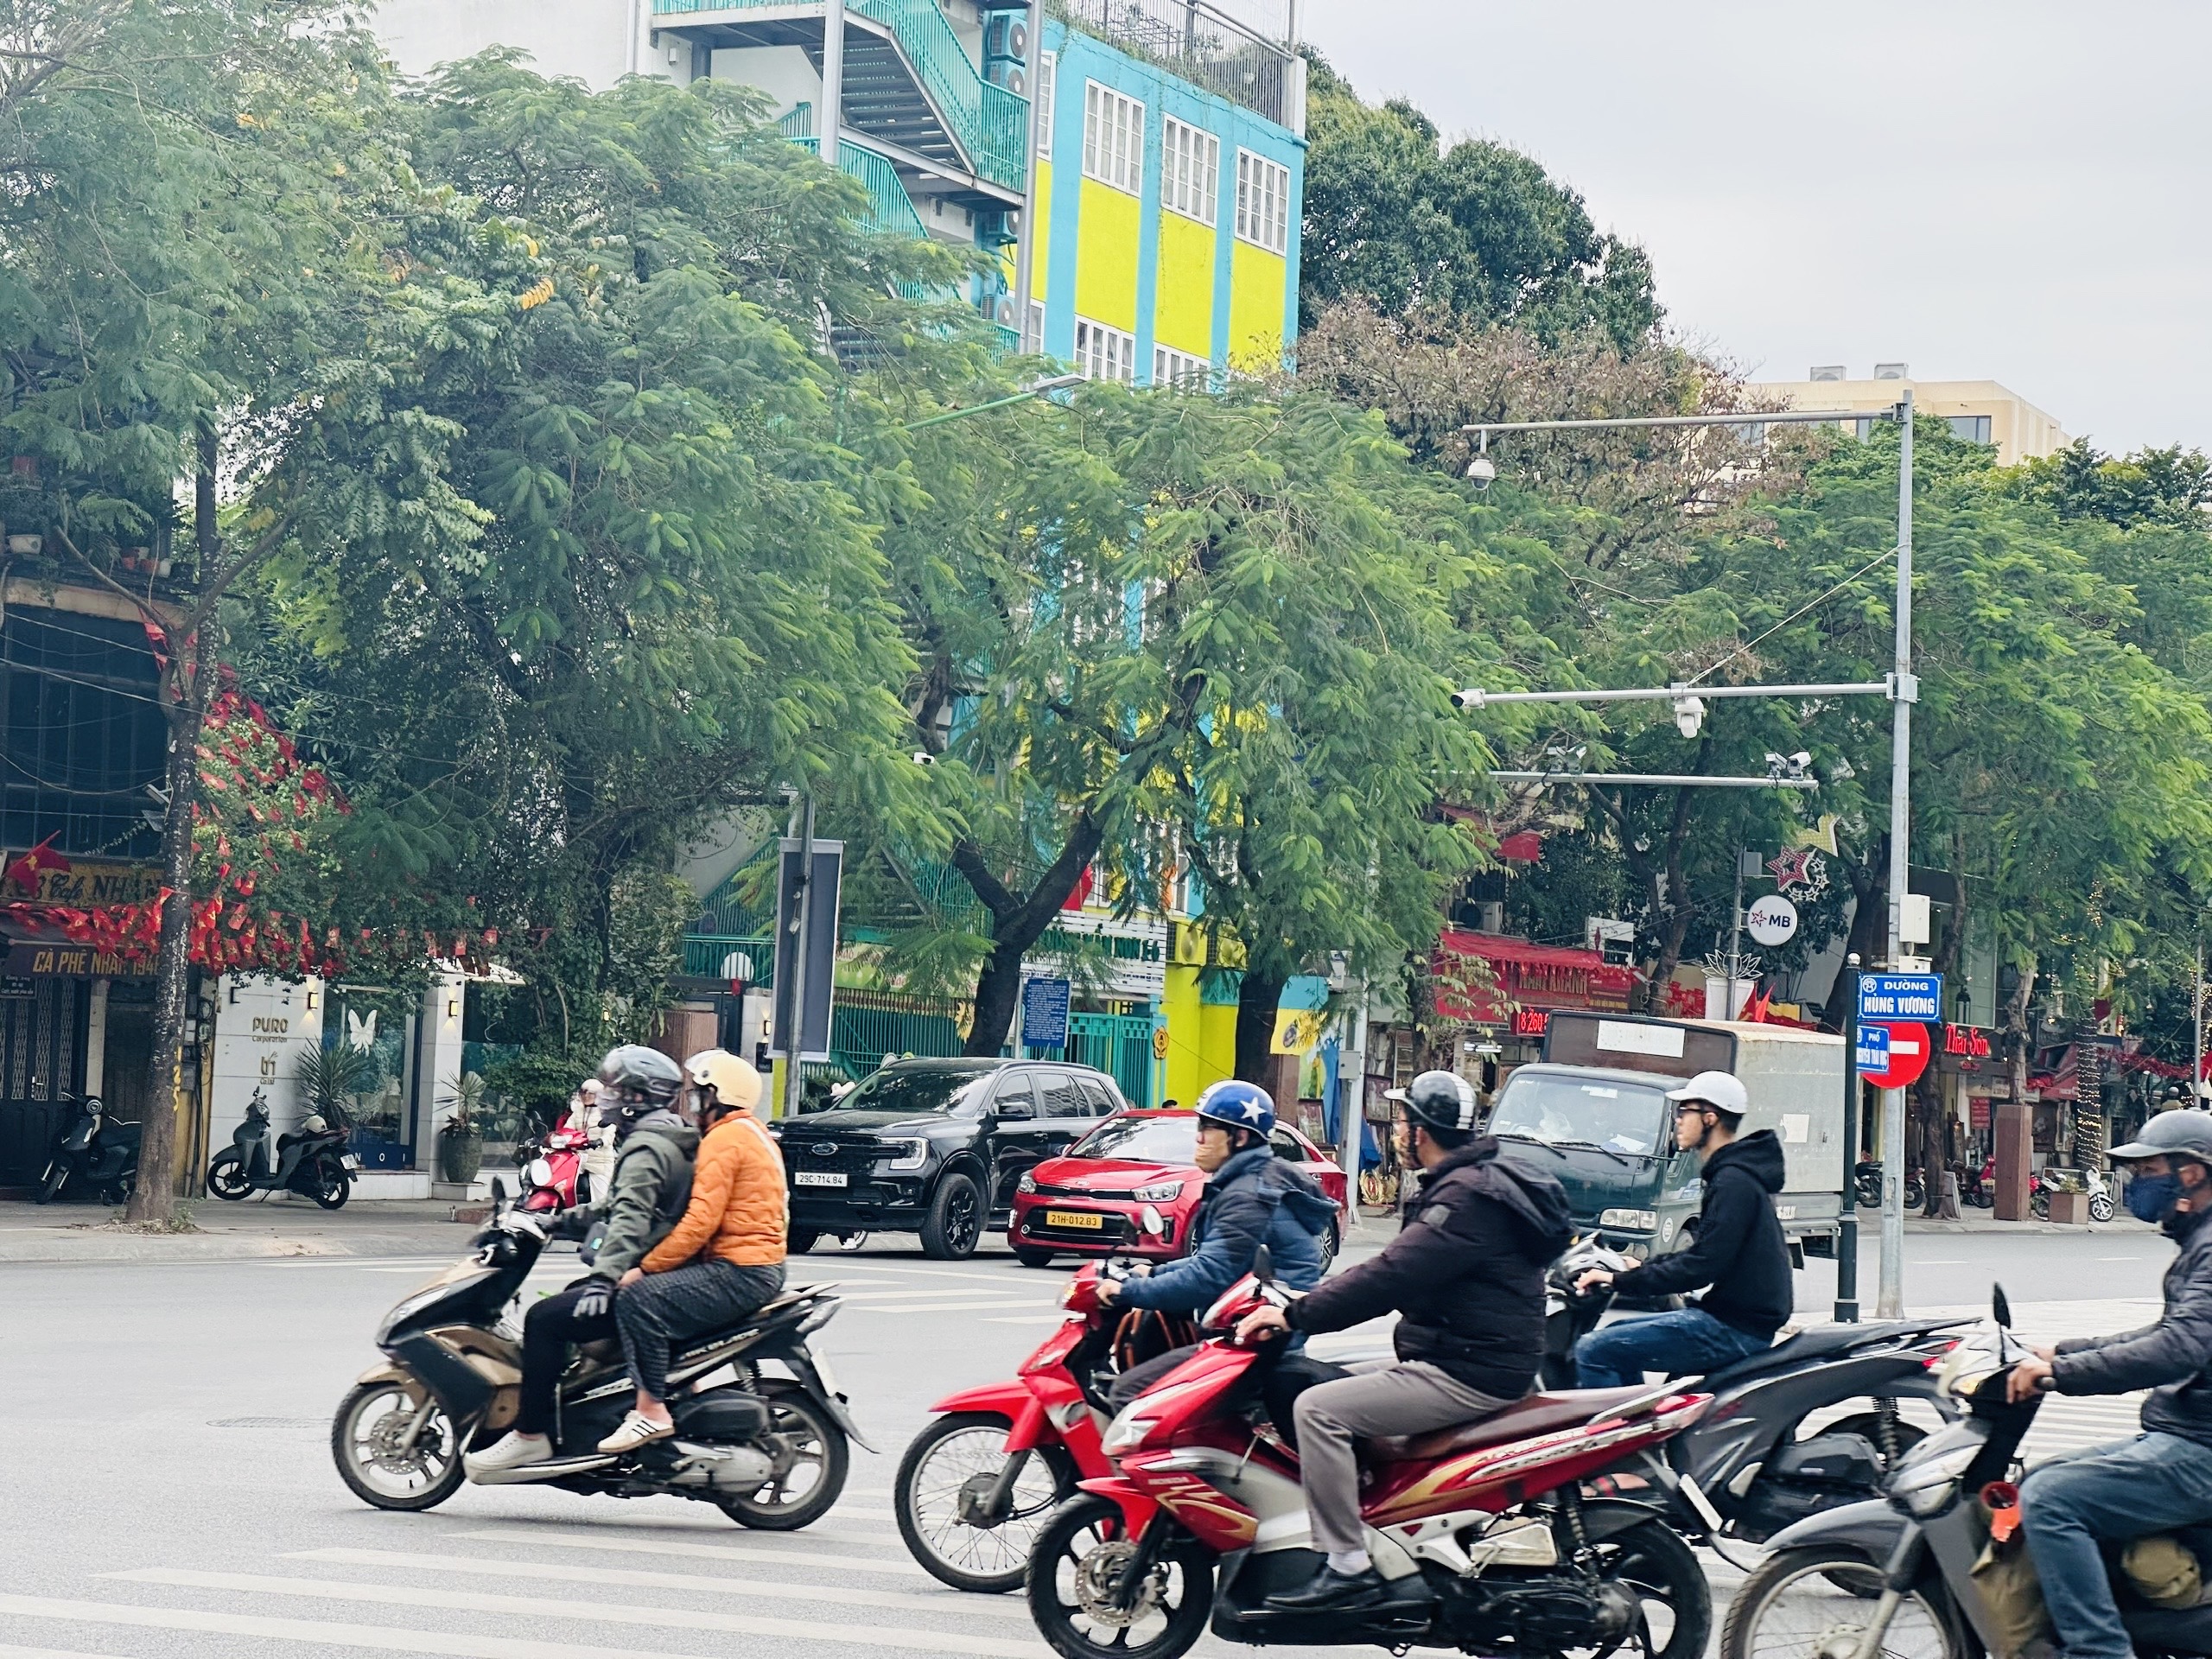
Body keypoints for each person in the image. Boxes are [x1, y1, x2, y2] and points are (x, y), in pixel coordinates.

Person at [1233, 1070, 1571, 1613]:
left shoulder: (1464, 1200)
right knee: (1314, 1376)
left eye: (1403, 1121)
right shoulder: (1471, 1183)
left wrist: (1293, 1315)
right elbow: (1393, 1272)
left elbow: (1390, 1276)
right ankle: (1379, 1519)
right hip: (1465, 1354)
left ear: (1422, 1132)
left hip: (1469, 1369)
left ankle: (1348, 1565)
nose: (1395, 1130)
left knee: (1317, 1409)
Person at [2007, 1109, 2212, 1659]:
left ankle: (2098, 1652)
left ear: (2190, 1174)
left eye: (2149, 1170)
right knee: (2045, 1475)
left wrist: (2060, 1374)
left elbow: (2181, 1348)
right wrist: (2062, 1350)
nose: (2138, 1183)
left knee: (2049, 1501)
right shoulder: (2200, 1244)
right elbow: (2170, 1332)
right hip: (2187, 1432)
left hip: (2201, 1447)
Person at [465, 1046, 697, 1474]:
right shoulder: (665, 1135)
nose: (604, 1097)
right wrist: (553, 1221)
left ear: (637, 1098)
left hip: (647, 1279)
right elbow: (614, 1206)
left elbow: (629, 1220)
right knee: (570, 1301)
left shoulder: (647, 1148)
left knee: (544, 1319)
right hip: (664, 1273)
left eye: (613, 1089)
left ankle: (531, 1435)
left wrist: (603, 1279)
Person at [1096, 1078, 1337, 1411]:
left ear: (1239, 1138)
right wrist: (1151, 1272)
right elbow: (1225, 1262)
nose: (1198, 1138)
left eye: (1207, 1129)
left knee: (1131, 1395)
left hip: (1259, 1343)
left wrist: (1128, 1292)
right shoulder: (1252, 1180)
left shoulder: (1249, 1195)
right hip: (1254, 1332)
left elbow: (1210, 1276)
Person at [598, 1048, 790, 1453]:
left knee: (638, 1299)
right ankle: (686, 1394)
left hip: (740, 1270)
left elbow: (700, 1222)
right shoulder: (754, 1132)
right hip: (761, 1266)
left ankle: (650, 1411)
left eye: (700, 1096)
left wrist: (646, 1269)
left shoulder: (724, 1139)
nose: (694, 1105)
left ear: (718, 1098)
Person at [1569, 1069, 1790, 1388]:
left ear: (1710, 1118)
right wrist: (1642, 1266)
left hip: (1734, 1329)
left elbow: (1703, 1266)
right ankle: (1638, 1429)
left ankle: (1628, 1437)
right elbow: (1703, 1253)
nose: (1678, 1120)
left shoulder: (1734, 1182)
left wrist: (1619, 1279)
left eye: (1684, 1111)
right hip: (1734, 1320)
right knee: (1611, 1341)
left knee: (1595, 1350)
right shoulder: (1733, 1175)